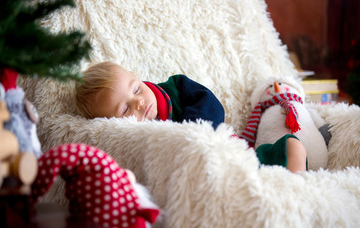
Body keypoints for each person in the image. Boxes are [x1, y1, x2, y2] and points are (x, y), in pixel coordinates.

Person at [75, 61, 307, 173]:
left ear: (138, 77)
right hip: (208, 174)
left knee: (292, 147)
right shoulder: (138, 140)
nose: (139, 102)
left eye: (136, 90)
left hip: (235, 153)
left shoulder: (176, 87)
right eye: (125, 110)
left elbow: (210, 103)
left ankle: (290, 189)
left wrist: (192, 132)